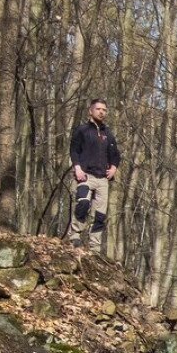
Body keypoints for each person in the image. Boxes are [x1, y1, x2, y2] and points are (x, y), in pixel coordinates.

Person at [67, 99, 121, 251]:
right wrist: (77, 168)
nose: (101, 112)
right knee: (82, 203)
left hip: (103, 179)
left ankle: (94, 246)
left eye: (104, 109)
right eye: (98, 109)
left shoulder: (108, 134)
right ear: (90, 111)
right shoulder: (82, 130)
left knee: (100, 215)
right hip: (85, 175)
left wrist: (114, 168)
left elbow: (116, 155)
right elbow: (74, 150)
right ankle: (74, 236)